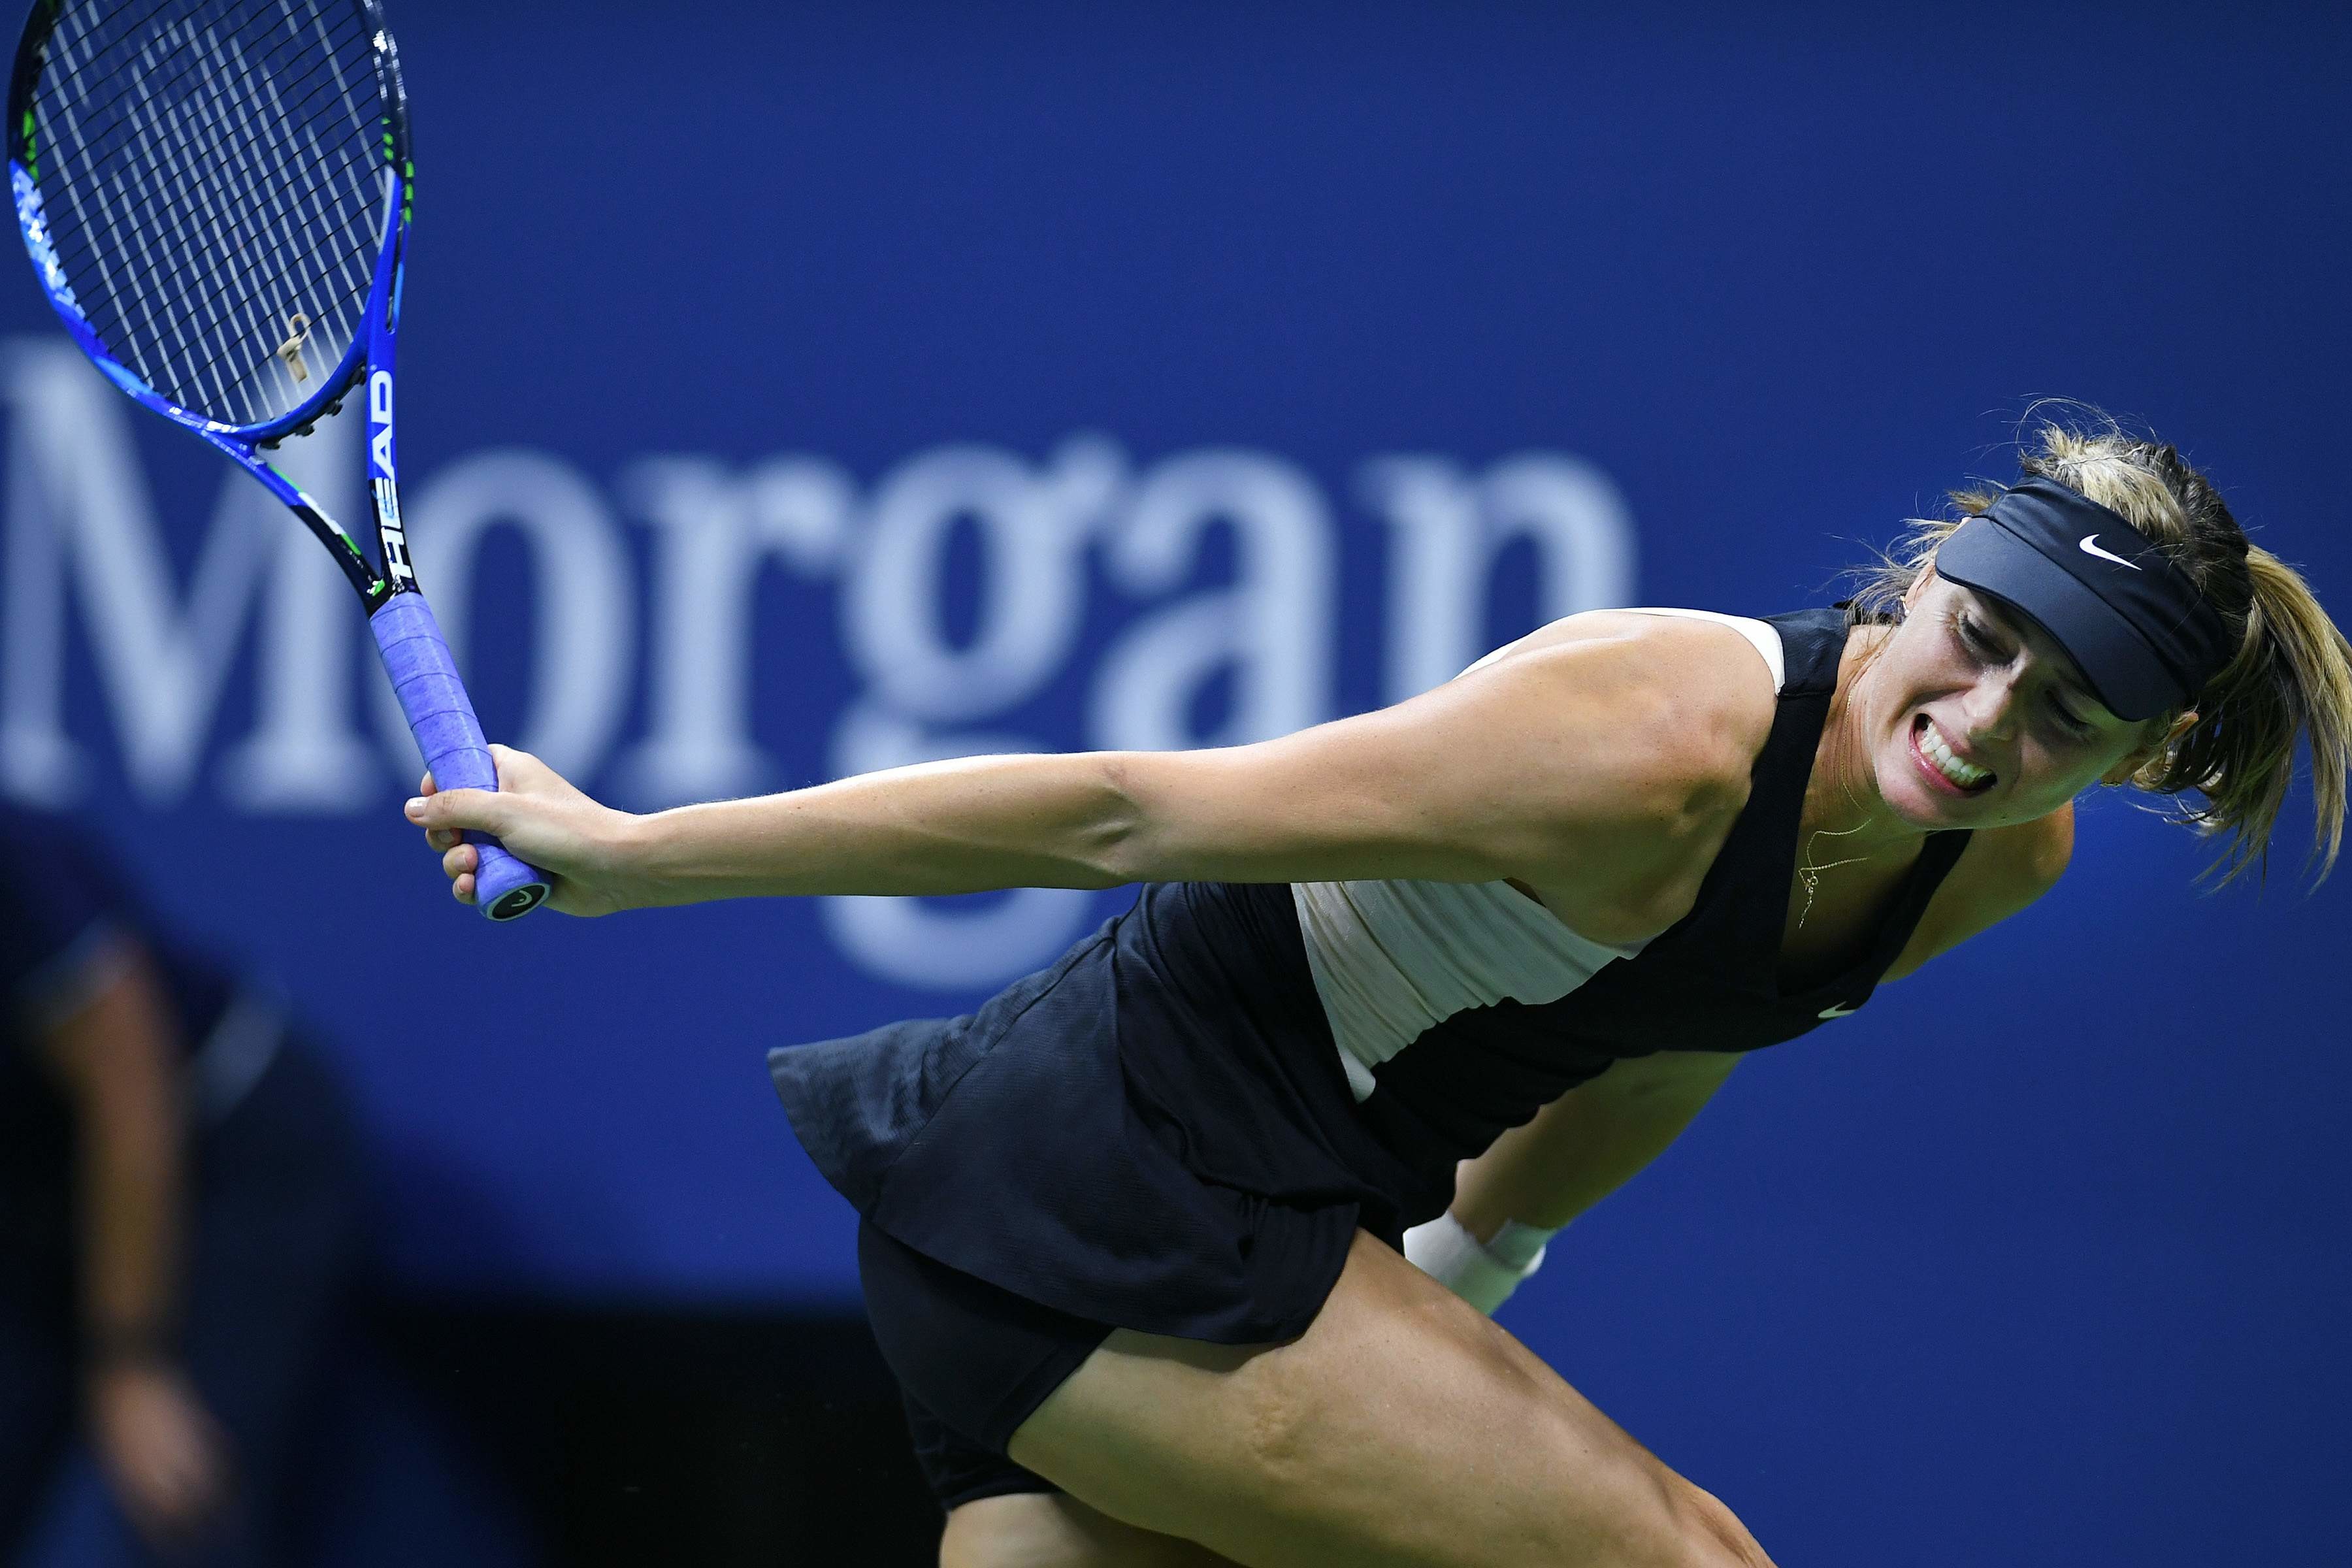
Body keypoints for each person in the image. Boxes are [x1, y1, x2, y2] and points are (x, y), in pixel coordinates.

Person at [406, 421, 2351, 1567]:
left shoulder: (1998, 853)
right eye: (1978, 637)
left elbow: (1672, 1037)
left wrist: (1455, 1280)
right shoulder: (1657, 738)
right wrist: (641, 851)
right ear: (1925, 573)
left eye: (2063, 709)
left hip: (1240, 1236)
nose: (1985, 720)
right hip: (1109, 1196)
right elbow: (1120, 811)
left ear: (2150, 755)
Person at [0, 808, 362, 1568]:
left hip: (223, 1153)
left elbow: (131, 1098)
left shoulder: (15, 862)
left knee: (159, 1510)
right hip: (43, 1194)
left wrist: (131, 1363)